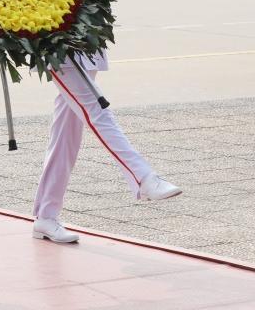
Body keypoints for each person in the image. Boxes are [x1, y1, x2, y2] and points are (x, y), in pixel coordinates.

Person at [33, 50, 182, 244]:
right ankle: (144, 178)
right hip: (57, 44)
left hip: (82, 41)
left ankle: (46, 214)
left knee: (66, 132)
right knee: (97, 112)